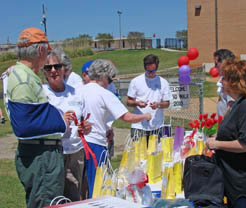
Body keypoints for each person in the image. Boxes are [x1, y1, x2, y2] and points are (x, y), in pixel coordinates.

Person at [6, 27, 74, 208]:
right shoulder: (23, 80)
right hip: (41, 157)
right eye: (47, 51)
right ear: (41, 50)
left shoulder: (24, 76)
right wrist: (61, 122)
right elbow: (24, 126)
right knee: (46, 203)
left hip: (42, 153)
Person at [81, 59, 151, 198]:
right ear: (102, 76)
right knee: (97, 186)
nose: (109, 83)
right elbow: (126, 117)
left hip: (79, 144)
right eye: (109, 79)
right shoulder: (104, 93)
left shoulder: (80, 90)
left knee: (81, 185)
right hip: (96, 144)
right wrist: (145, 116)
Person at [206, 60, 246, 208]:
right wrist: (218, 137)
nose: (220, 82)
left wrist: (216, 144)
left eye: (224, 78)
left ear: (234, 82)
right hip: (236, 181)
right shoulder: (239, 103)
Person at [42, 48, 92, 202]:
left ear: (63, 69)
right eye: (48, 67)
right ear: (44, 72)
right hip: (54, 151)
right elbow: (40, 123)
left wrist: (87, 127)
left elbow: (86, 120)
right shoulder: (41, 93)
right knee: (53, 196)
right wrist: (60, 120)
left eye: (57, 66)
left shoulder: (76, 92)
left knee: (74, 195)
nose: (53, 70)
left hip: (76, 151)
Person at [127, 54, 170, 144]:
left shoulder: (163, 82)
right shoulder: (135, 81)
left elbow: (167, 103)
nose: (151, 73)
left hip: (157, 126)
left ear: (157, 68)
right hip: (138, 126)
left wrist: (158, 105)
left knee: (156, 155)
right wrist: (137, 103)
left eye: (153, 71)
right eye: (148, 71)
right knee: (138, 155)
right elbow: (129, 101)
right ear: (144, 68)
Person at [213, 49, 235, 116]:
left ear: (224, 62)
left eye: (216, 64)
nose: (215, 67)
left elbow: (231, 104)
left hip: (228, 122)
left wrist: (222, 122)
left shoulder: (230, 78)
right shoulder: (225, 77)